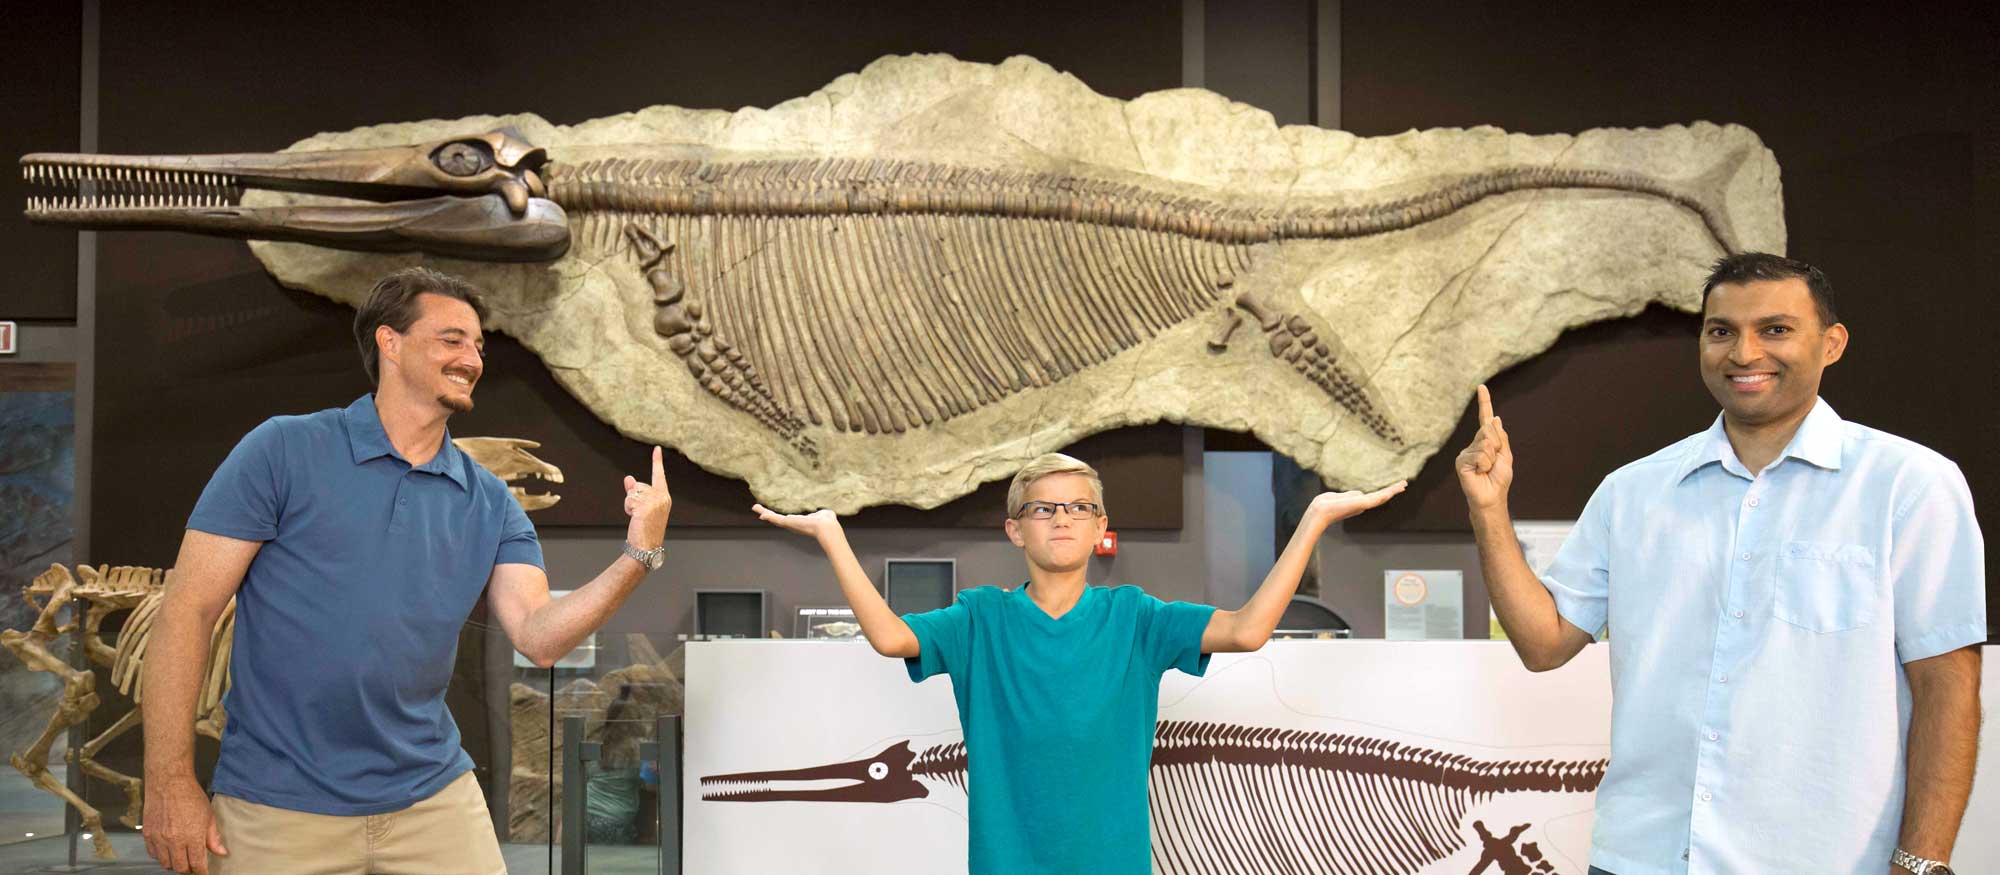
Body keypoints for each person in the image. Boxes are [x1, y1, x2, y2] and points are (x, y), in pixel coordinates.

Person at [1458, 252, 1984, 874]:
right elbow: (1543, 643)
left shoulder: (1909, 484)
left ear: (1832, 344)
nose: (1744, 352)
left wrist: (1922, 862)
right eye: (1721, 331)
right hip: (1642, 856)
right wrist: (1490, 511)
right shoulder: (1633, 491)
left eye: (1776, 329)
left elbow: (1948, 687)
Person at [140, 267, 676, 875]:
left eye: (477, 344)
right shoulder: (282, 451)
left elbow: (541, 636)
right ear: (389, 343)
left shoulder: (490, 501)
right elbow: (188, 610)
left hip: (433, 798)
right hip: (276, 805)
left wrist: (639, 554)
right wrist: (168, 781)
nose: (472, 358)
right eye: (451, 339)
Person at [756, 451, 1403, 873]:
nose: (1060, 518)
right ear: (1015, 529)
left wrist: (1313, 516)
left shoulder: (1138, 617)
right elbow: (894, 637)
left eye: (1078, 507)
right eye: (1042, 508)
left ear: (1100, 527)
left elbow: (1250, 629)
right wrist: (832, 537)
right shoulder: (979, 619)